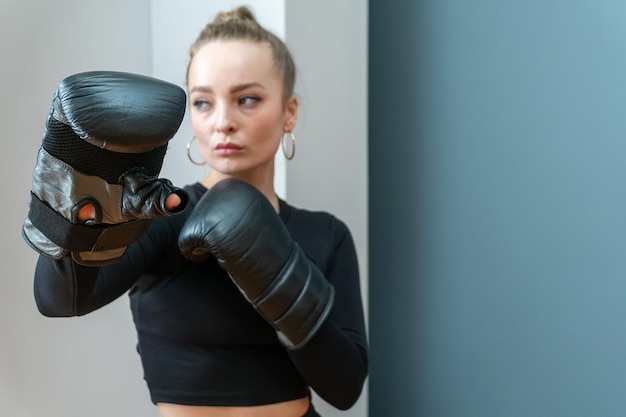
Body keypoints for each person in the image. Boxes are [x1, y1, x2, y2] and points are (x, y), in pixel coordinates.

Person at [31, 6, 368, 417]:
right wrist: (78, 191)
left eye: (247, 99)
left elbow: (346, 387)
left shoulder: (325, 233)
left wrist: (279, 277)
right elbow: (58, 301)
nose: (223, 121)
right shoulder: (160, 218)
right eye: (203, 102)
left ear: (289, 112)